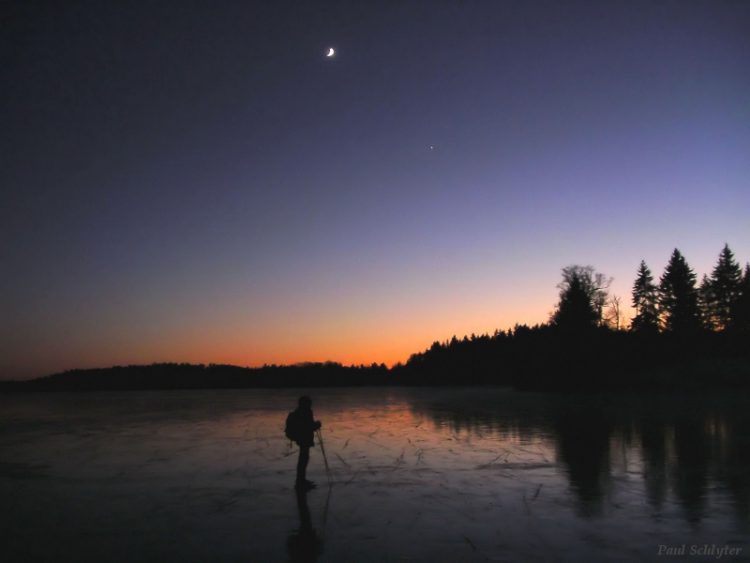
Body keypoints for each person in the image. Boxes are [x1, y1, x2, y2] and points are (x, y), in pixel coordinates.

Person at [287, 396, 322, 491]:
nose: (310, 404)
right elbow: (308, 426)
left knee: (303, 459)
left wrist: (315, 425)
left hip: (302, 439)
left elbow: (308, 425)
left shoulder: (300, 411)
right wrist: (317, 424)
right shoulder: (305, 412)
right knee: (303, 460)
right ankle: (300, 482)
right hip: (304, 439)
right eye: (309, 402)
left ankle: (301, 480)